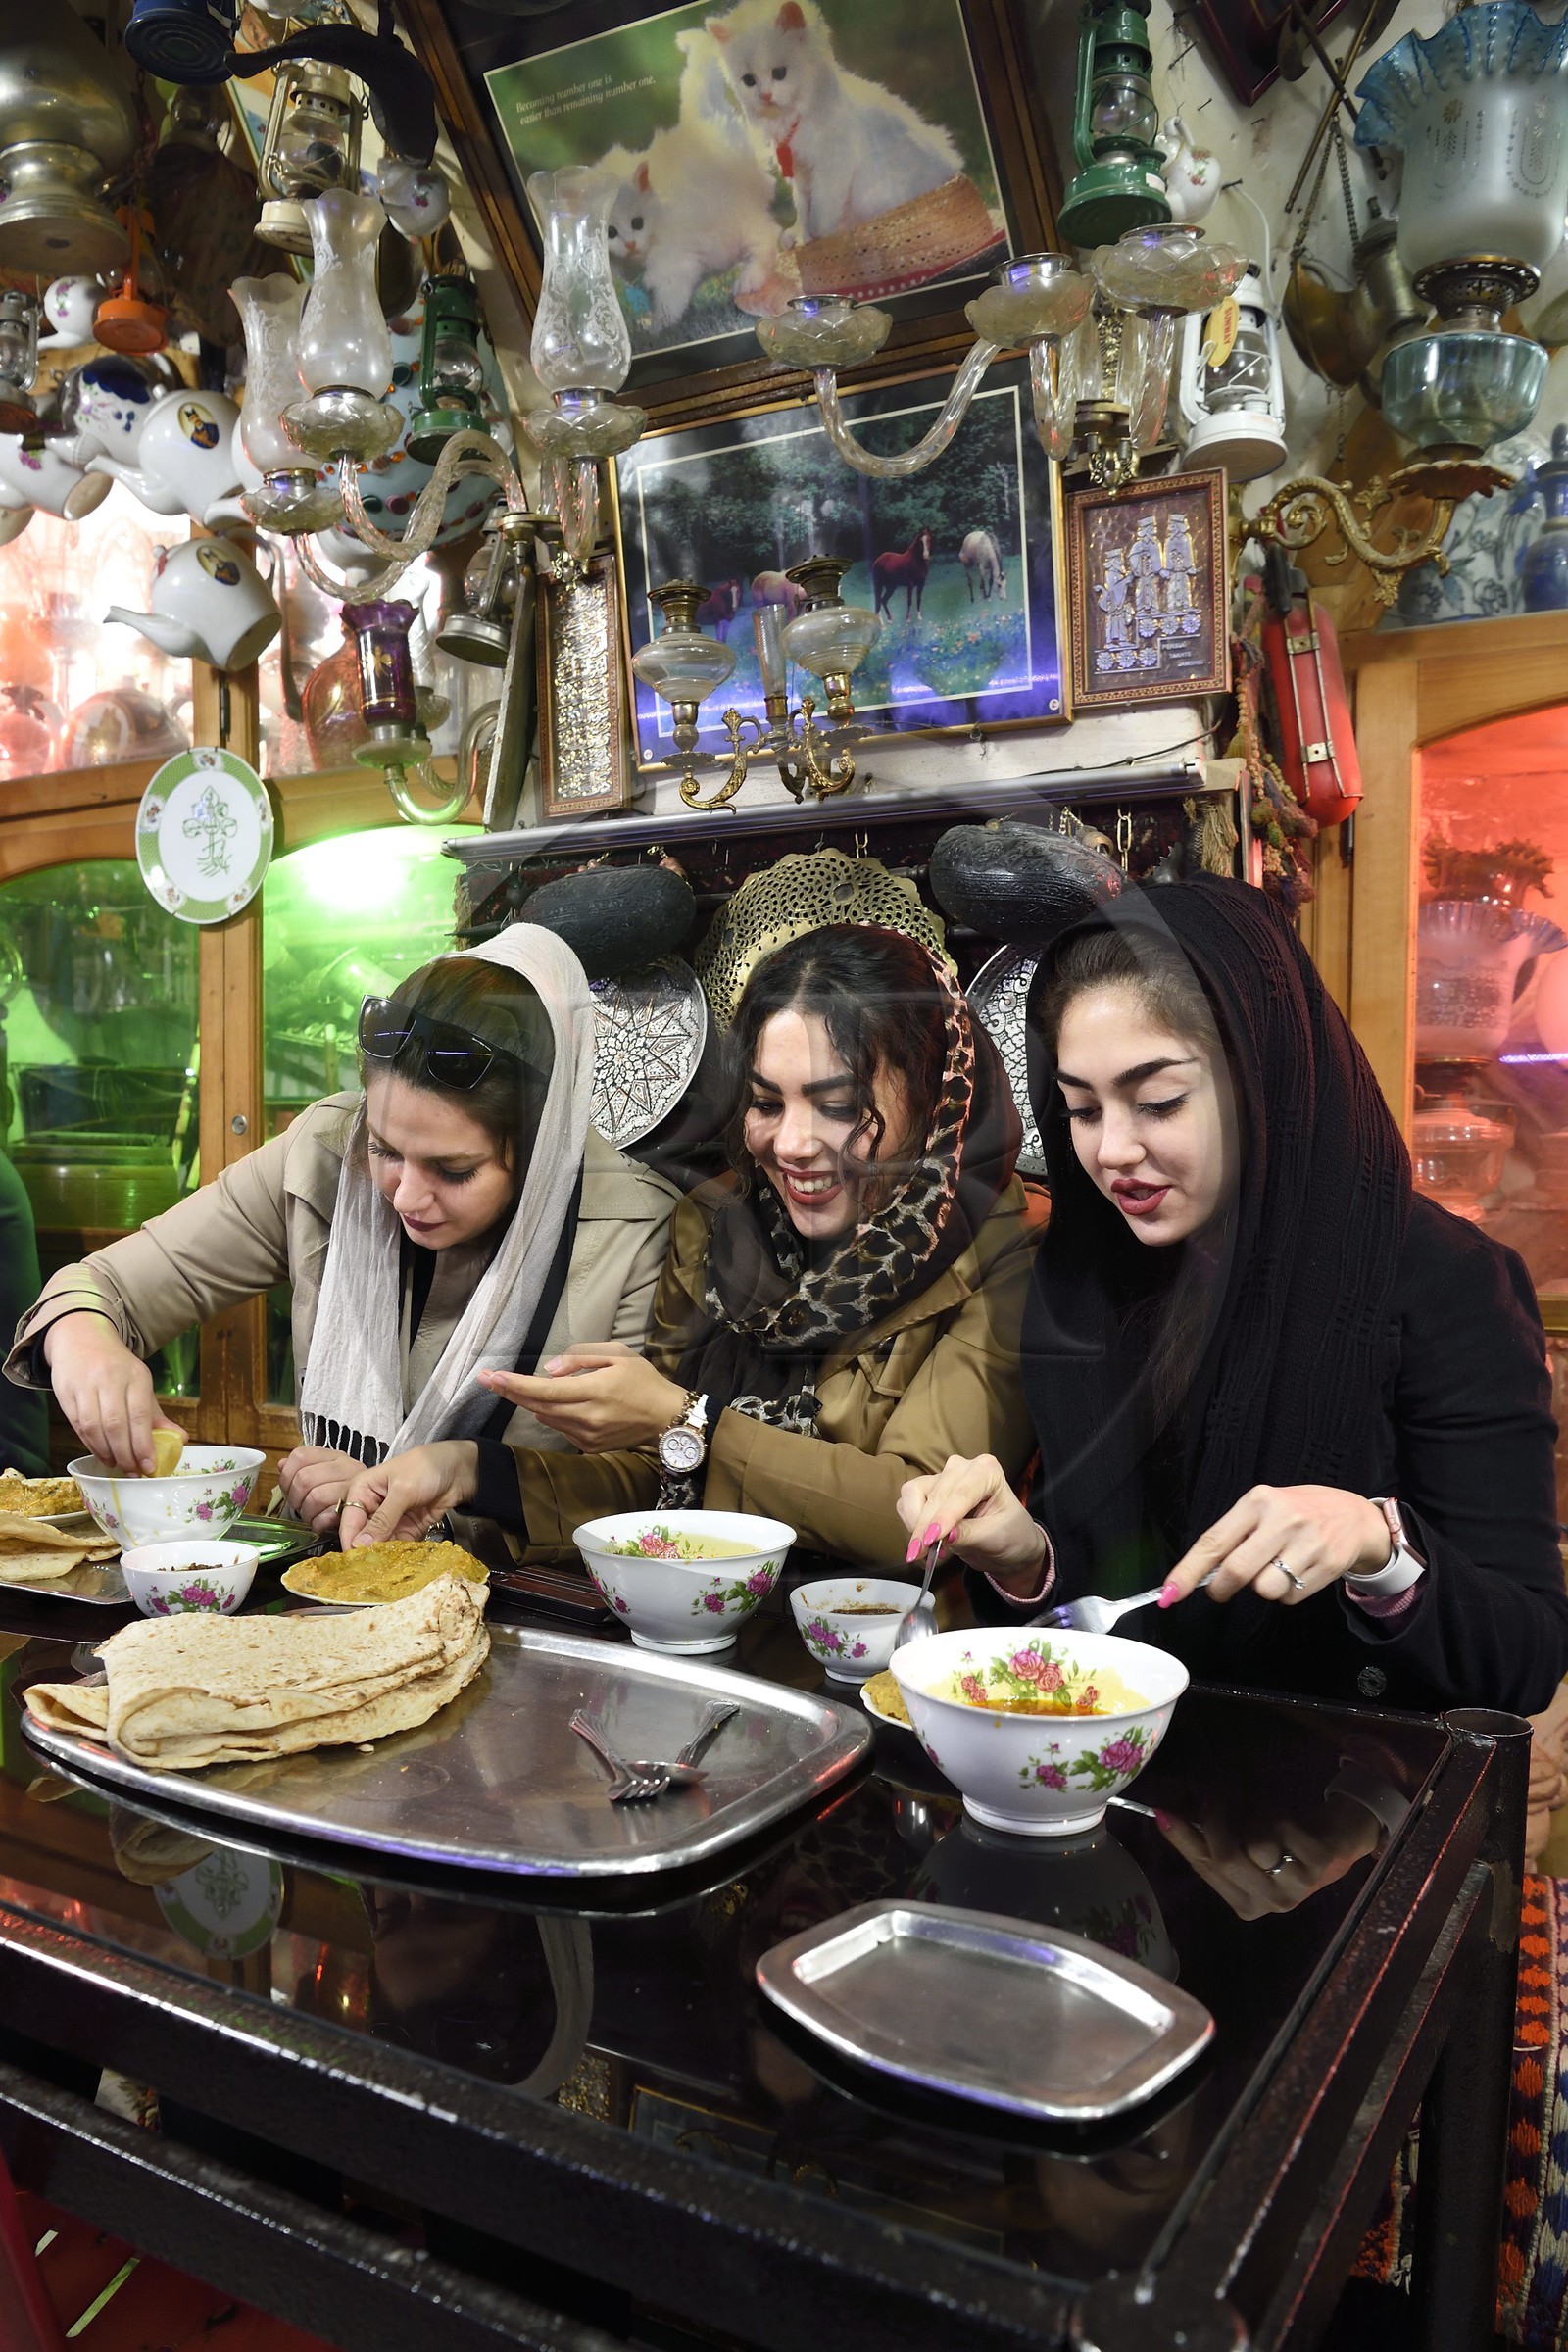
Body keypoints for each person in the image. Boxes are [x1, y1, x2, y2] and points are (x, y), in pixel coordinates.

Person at [898, 877, 1568, 1716]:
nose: (1112, 1150)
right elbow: (1111, 1591)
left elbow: (1527, 1655)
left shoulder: (1443, 1280)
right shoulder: (1092, 1275)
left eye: (1158, 1102)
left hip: (1344, 1802)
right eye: (1079, 1109)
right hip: (1133, 1782)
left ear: (1262, 1073)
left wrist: (1380, 1546)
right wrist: (1024, 1558)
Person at [339, 924, 1046, 1570]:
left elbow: (918, 1514)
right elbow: (663, 1479)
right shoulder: (716, 1229)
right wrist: (468, 1470)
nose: (792, 1145)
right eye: (767, 1103)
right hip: (696, 1632)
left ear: (932, 1098)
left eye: (837, 1107)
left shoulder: (1007, 1251)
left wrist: (686, 1419)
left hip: (878, 1658)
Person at [4, 927, 679, 1530]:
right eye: (386, 1149)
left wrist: (458, 1483)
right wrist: (83, 1338)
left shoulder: (630, 1227)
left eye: (454, 1169)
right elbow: (108, 1283)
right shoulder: (326, 1153)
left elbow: (648, 1486)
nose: (407, 1195)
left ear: (538, 1147)